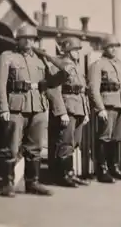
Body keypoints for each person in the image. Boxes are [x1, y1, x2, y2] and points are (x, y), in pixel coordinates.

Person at [0, 25, 58, 197]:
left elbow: (53, 81)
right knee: (11, 147)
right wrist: (2, 107)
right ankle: (7, 183)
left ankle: (32, 182)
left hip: (38, 106)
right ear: (17, 40)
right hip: (15, 107)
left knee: (35, 148)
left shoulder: (41, 59)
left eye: (32, 38)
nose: (29, 41)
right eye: (25, 37)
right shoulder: (7, 58)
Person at [88, 35, 121, 183]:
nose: (113, 49)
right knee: (105, 136)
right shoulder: (97, 65)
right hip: (108, 105)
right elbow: (93, 89)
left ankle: (114, 167)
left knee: (117, 137)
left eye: (116, 46)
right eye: (110, 46)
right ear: (104, 48)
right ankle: (102, 170)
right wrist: (100, 108)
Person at [46, 36, 91, 188]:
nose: (78, 52)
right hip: (67, 108)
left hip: (78, 108)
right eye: (75, 49)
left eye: (79, 50)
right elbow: (54, 89)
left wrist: (85, 112)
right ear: (67, 50)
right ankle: (61, 175)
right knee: (64, 142)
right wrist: (61, 112)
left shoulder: (77, 66)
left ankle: (70, 173)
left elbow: (82, 90)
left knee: (74, 142)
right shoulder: (59, 65)